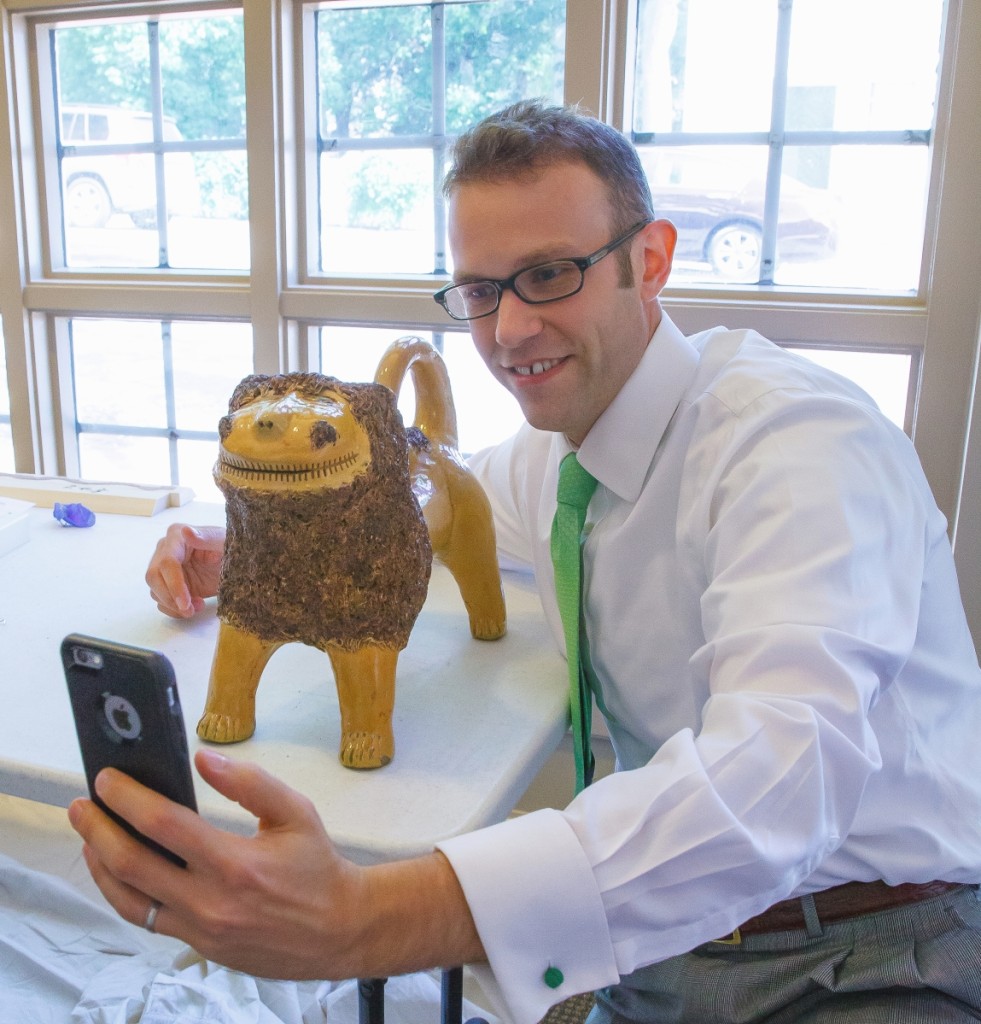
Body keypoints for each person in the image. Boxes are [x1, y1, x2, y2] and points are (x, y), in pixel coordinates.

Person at [68, 100, 981, 1024]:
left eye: (548, 275)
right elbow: (415, 519)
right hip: (660, 953)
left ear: (651, 259)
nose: (506, 332)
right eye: (478, 291)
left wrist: (364, 917)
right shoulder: (556, 458)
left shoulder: (797, 440)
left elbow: (781, 778)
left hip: (866, 956)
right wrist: (242, 553)